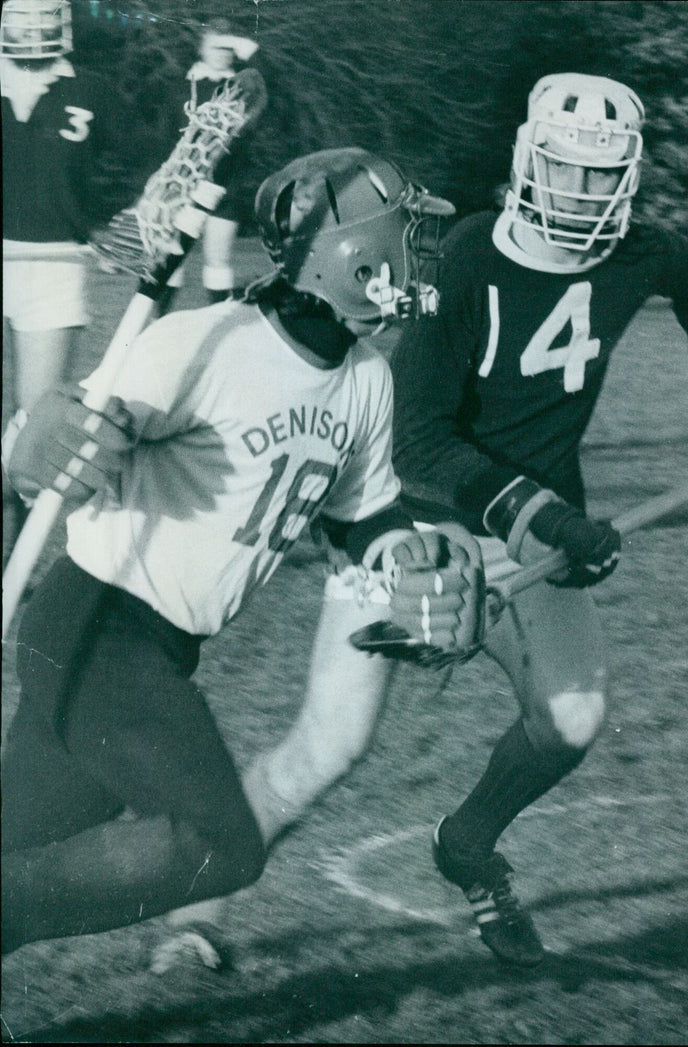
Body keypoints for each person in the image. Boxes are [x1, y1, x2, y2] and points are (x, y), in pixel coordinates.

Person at [1, 147, 476, 957]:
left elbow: (362, 513)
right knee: (223, 843)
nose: (416, 255)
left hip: (159, 647)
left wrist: (406, 559)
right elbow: (62, 445)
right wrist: (27, 442)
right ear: (352, 256)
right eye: (401, 237)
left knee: (14, 839)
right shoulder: (205, 345)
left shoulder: (365, 378)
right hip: (97, 626)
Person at [387, 72, 688, 966]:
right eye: (565, 170)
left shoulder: (635, 251)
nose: (582, 193)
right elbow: (415, 441)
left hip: (539, 522)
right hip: (425, 521)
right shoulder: (466, 257)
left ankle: (466, 847)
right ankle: (195, 919)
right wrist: (544, 518)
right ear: (529, 160)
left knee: (571, 721)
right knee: (334, 736)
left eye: (602, 177)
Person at [1, 0, 134, 561]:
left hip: (55, 272)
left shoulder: (93, 91)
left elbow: (144, 162)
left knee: (36, 433)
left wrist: (122, 229)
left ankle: (14, 568)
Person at [157, 17, 261, 313]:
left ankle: (217, 322)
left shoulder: (243, 88)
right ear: (201, 48)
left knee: (218, 261)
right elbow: (164, 139)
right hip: (181, 185)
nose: (222, 53)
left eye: (228, 47)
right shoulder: (181, 87)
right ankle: (160, 325)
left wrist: (252, 52)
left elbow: (269, 87)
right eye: (215, 46)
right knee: (171, 258)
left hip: (225, 186)